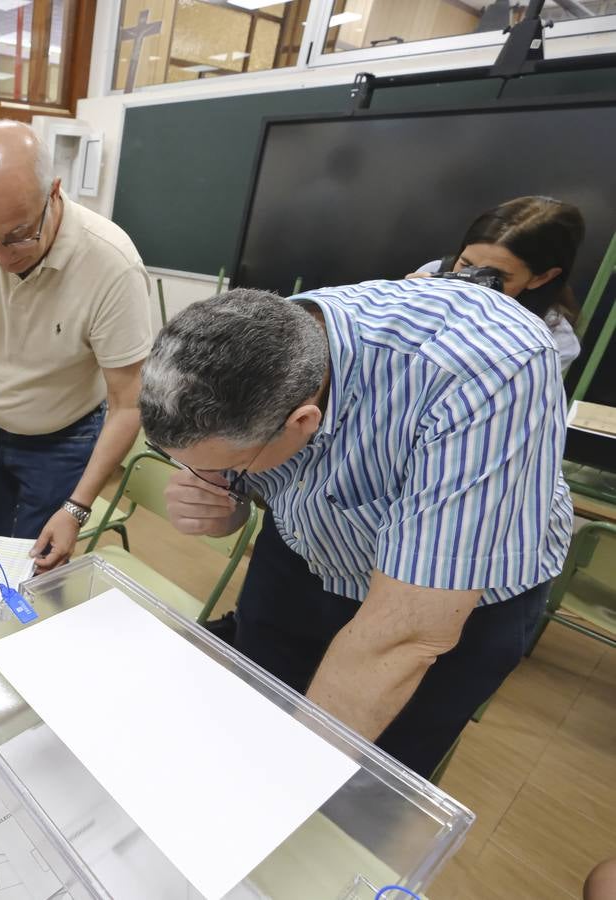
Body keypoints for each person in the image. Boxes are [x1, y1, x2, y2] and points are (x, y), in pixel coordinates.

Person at [138, 281, 572, 779]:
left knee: (363, 783)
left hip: (453, 600)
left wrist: (290, 785)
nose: (209, 475)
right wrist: (224, 500)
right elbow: (237, 476)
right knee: (246, 720)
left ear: (303, 421)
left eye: (232, 463)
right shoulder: (269, 340)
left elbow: (406, 633)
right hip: (309, 552)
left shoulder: (488, 368)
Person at [0, 121, 152, 573]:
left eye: (17, 235)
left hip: (63, 441)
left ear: (54, 193)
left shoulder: (111, 264)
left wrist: (77, 508)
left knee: (35, 573)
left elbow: (128, 403)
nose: (1, 255)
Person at [407, 195, 586, 372]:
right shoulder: (432, 273)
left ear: (542, 277)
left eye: (495, 276)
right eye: (466, 264)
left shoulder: (553, 343)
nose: (471, 283)